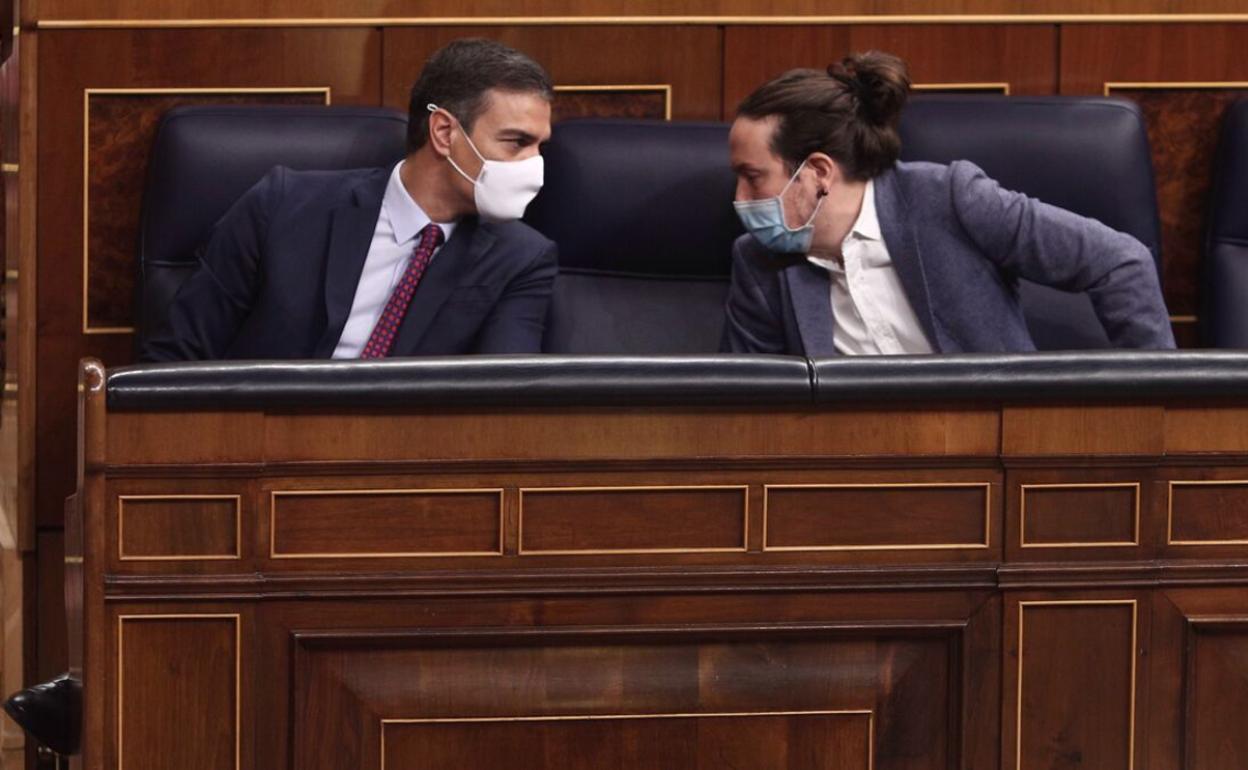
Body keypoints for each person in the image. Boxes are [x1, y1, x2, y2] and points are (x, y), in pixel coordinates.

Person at [721, 51, 1175, 355]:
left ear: (818, 172)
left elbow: (1121, 263)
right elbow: (748, 408)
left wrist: (1148, 413)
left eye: (753, 177)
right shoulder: (758, 263)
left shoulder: (950, 200)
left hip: (997, 451)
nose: (739, 199)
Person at [141, 38, 558, 361]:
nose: (533, 165)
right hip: (257, 437)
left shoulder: (520, 259)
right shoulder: (282, 206)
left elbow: (503, 400)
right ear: (444, 133)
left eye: (539, 146)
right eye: (517, 142)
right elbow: (175, 360)